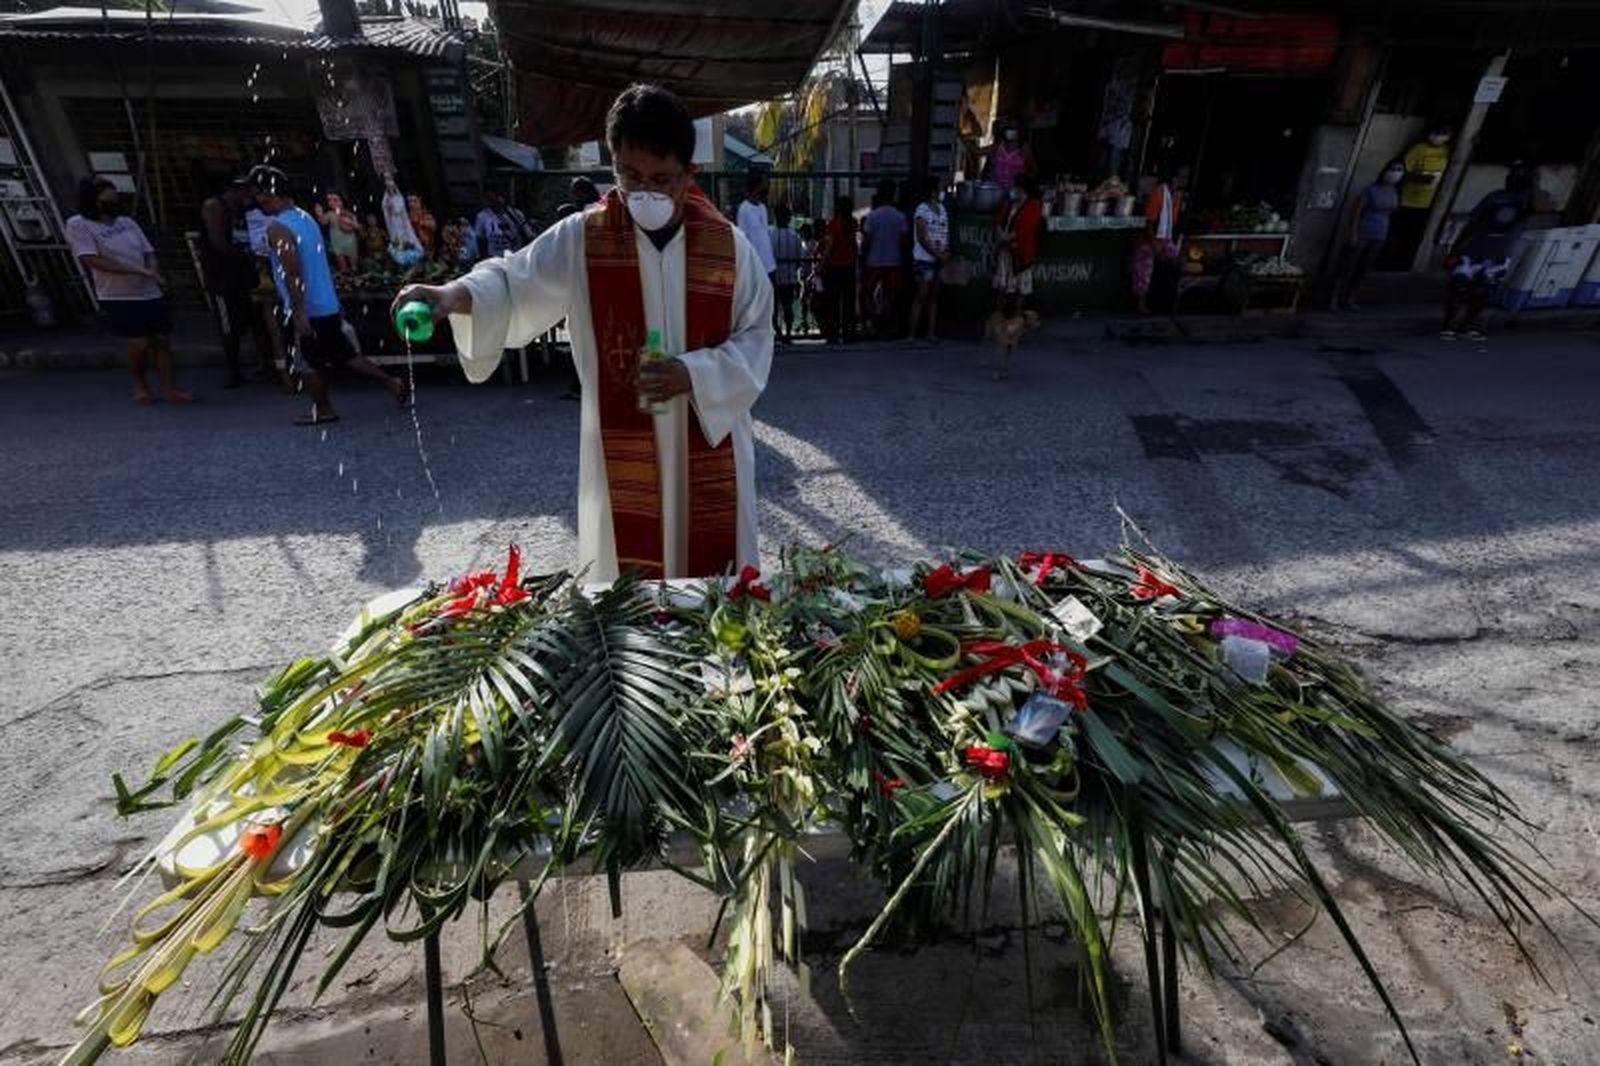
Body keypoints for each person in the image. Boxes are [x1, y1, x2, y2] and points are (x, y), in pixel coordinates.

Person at [394, 83, 773, 582]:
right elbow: (515, 279)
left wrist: (694, 374)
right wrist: (453, 297)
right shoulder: (584, 237)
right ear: (612, 165)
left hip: (707, 451)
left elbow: (757, 336)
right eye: (629, 176)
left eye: (662, 179)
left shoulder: (729, 247)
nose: (645, 193)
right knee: (628, 606)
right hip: (621, 462)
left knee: (715, 596)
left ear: (690, 175)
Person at [251, 165, 408, 425]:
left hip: (308, 307)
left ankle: (323, 409)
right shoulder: (304, 217)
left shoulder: (278, 227)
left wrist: (299, 312)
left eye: (259, 194)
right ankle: (392, 382)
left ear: (270, 194)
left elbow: (293, 272)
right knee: (345, 355)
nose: (257, 201)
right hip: (326, 303)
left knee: (307, 363)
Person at [67, 177, 192, 404]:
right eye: (106, 200)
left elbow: (148, 251)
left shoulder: (126, 222)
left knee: (162, 339)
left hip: (149, 291)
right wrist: (136, 271)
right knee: (139, 343)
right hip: (118, 294)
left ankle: (170, 387)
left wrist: (151, 271)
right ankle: (141, 384)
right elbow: (91, 259)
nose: (112, 204)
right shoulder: (79, 224)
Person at [1441, 166, 1534, 342]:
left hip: (1497, 254)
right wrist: (1456, 248)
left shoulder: (1524, 201)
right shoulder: (1494, 197)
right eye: (1511, 175)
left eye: (1517, 176)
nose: (1511, 179)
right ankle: (1449, 325)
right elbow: (1472, 224)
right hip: (1476, 250)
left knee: (1483, 291)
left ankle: (1466, 325)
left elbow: (1533, 206)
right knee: (1460, 287)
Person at [201, 174, 273, 388]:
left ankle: (267, 364)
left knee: (258, 319)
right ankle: (234, 370)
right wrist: (246, 255)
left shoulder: (249, 209)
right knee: (229, 324)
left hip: (248, 273)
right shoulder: (215, 206)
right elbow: (218, 241)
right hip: (223, 276)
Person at [987, 175, 1044, 380]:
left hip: (1020, 257)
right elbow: (998, 222)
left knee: (1018, 296)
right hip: (1005, 255)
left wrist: (1004, 239)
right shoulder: (1009, 204)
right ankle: (999, 330)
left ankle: (1012, 333)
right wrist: (1001, 236)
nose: (1013, 191)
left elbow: (1024, 230)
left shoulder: (1033, 206)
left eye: (1016, 188)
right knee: (1002, 295)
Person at [1330, 159, 1404, 311]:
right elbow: (1356, 212)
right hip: (1364, 231)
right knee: (1347, 266)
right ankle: (1333, 299)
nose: (1395, 173)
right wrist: (1353, 232)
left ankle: (1350, 298)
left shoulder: (1394, 192)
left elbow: (1391, 212)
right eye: (1393, 169)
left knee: (1363, 269)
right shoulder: (1370, 190)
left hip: (1380, 234)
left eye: (1399, 170)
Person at [1384, 122, 1453, 269]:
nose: (1439, 137)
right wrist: (1421, 178)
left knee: (1413, 237)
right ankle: (1388, 264)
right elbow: (1401, 172)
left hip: (1427, 203)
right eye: (1437, 133)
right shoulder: (1418, 149)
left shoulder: (1446, 151)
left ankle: (1403, 265)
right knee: (1397, 234)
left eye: (1444, 134)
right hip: (1407, 200)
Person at [1132, 167, 1185, 315]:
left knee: (1178, 260)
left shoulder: (1176, 196)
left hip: (1164, 237)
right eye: (1178, 179)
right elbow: (1149, 222)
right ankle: (1140, 304)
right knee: (1143, 271)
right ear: (1171, 179)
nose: (1180, 182)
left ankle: (1170, 299)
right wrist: (1155, 245)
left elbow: (1172, 222)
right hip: (1149, 238)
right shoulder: (1158, 193)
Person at [859, 179, 908, 338]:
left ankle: (874, 321)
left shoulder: (872, 217)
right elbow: (904, 240)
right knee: (890, 294)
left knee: (867, 292)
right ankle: (886, 322)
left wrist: (863, 256)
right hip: (894, 260)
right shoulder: (900, 217)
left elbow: (866, 241)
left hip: (873, 261)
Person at [907, 176, 950, 345]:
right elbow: (922, 237)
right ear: (933, 191)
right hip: (923, 259)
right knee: (921, 295)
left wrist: (945, 252)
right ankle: (911, 334)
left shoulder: (942, 209)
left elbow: (945, 232)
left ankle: (931, 333)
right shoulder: (922, 210)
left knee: (934, 297)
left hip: (939, 258)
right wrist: (937, 254)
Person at [818, 195, 858, 344]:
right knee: (848, 302)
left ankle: (833, 334)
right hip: (849, 267)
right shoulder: (852, 224)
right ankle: (848, 334)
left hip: (834, 268)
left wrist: (820, 266)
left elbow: (829, 248)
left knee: (833, 303)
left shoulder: (834, 225)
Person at [736, 174, 777, 287]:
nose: (767, 186)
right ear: (757, 186)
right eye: (764, 183)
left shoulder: (763, 208)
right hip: (755, 268)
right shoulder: (744, 209)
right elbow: (743, 239)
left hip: (770, 265)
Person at [770, 204, 803, 343]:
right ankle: (788, 333)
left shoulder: (770, 235)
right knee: (787, 306)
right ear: (789, 218)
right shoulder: (794, 236)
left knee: (774, 308)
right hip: (789, 277)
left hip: (775, 278)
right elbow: (799, 260)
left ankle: (778, 332)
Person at [473, 189, 533, 261]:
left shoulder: (516, 214)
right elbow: (480, 240)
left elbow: (529, 236)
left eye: (498, 196)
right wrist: (483, 259)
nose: (496, 200)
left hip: (515, 257)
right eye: (491, 198)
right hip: (494, 258)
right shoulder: (482, 216)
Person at [317, 192, 361, 273]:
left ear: (342, 201)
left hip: (350, 241)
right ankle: (345, 275)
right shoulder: (330, 214)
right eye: (330, 200)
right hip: (337, 242)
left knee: (353, 264)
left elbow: (357, 226)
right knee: (341, 263)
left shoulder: (349, 214)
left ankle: (355, 273)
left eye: (335, 200)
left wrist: (350, 223)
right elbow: (323, 221)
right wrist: (320, 214)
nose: (332, 203)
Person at [987, 119, 1035, 192]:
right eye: (1009, 127)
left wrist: (1024, 180)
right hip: (995, 190)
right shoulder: (998, 146)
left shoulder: (1024, 149)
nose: (1011, 131)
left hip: (1015, 192)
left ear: (1020, 130)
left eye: (1014, 128)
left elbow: (1033, 170)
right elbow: (977, 151)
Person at [407, 193, 437, 258]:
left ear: (419, 200)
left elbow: (433, 226)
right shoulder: (406, 217)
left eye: (414, 201)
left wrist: (420, 222)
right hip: (411, 250)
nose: (412, 204)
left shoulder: (426, 215)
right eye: (410, 201)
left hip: (426, 250)